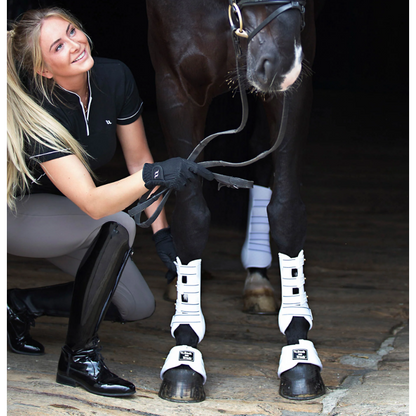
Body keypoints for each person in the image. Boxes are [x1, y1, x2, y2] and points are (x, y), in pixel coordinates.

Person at [7, 7, 214, 397]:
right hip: (16, 217)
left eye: (72, 31)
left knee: (136, 306)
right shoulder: (39, 107)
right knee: (115, 221)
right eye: (58, 45)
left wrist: (164, 238)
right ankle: (78, 359)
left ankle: (18, 305)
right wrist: (153, 176)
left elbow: (139, 161)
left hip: (64, 221)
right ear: (44, 70)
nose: (74, 44)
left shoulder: (112, 75)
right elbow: (94, 202)